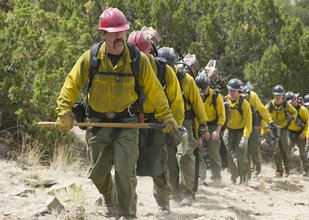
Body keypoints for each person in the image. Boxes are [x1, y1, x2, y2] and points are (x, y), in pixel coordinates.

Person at [54, 8, 178, 219]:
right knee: (98, 173)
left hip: (127, 124)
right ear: (103, 34)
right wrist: (64, 110)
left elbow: (155, 90)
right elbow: (71, 83)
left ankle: (127, 214)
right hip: (97, 124)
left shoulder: (138, 59)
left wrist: (167, 116)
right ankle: (109, 197)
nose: (119, 37)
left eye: (122, 32)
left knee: (125, 173)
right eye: (114, 33)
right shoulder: (91, 57)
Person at [128, 29, 184, 215]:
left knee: (159, 166)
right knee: (125, 166)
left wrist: (176, 128)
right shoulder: (123, 68)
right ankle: (128, 206)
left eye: (141, 54)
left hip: (157, 123)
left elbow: (176, 101)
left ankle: (163, 204)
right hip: (129, 121)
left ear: (150, 52)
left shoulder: (164, 71)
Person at [158, 47, 209, 206]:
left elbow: (197, 103)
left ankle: (188, 192)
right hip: (165, 121)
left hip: (184, 121)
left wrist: (203, 125)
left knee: (185, 154)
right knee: (169, 159)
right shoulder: (156, 77)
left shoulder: (186, 79)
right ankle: (175, 194)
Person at [195, 74, 226, 184]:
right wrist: (199, 135)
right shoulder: (196, 95)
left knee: (214, 153)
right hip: (199, 124)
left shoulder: (216, 96)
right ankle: (200, 177)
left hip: (213, 125)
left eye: (203, 90)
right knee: (197, 150)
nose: (201, 92)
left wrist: (217, 131)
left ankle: (217, 178)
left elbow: (222, 115)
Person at [263, 85, 297, 177]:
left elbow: (295, 112)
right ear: (273, 95)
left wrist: (292, 117)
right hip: (273, 129)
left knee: (285, 151)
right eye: (276, 95)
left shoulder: (286, 105)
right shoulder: (269, 105)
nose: (278, 97)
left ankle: (287, 168)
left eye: (280, 95)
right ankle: (279, 170)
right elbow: (263, 115)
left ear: (283, 95)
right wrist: (266, 132)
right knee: (276, 151)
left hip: (283, 129)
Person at [223, 78, 252, 184]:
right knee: (227, 153)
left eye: (234, 91)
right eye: (230, 90)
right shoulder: (225, 101)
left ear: (238, 92)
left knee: (241, 156)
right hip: (229, 130)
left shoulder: (244, 104)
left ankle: (245, 178)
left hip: (241, 131)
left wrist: (245, 137)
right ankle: (234, 175)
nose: (231, 93)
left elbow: (248, 123)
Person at [241, 82, 273, 177]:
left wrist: (270, 122)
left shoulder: (253, 96)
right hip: (241, 127)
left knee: (254, 150)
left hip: (253, 127)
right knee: (243, 151)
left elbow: (262, 110)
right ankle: (246, 173)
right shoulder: (234, 98)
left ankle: (257, 165)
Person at [285, 92, 309, 176]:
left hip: (300, 133)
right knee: (286, 150)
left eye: (292, 101)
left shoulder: (303, 110)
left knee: (303, 153)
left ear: (295, 100)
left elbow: (308, 123)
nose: (291, 103)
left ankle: (306, 170)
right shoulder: (286, 109)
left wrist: (304, 133)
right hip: (290, 132)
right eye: (289, 101)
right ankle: (286, 169)